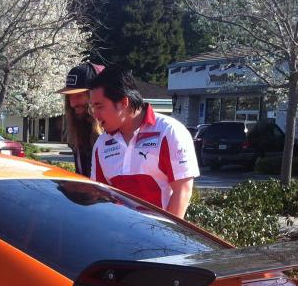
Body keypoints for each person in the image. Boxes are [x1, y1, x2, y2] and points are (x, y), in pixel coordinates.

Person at [87, 66, 199, 219]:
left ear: (124, 102)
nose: (95, 115)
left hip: (158, 232)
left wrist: (164, 233)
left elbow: (183, 191)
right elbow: (99, 196)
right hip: (118, 231)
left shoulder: (169, 131)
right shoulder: (102, 143)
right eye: (92, 108)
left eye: (99, 106)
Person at [58, 62, 103, 178]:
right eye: (69, 97)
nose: (72, 103)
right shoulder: (77, 135)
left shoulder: (119, 137)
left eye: (79, 95)